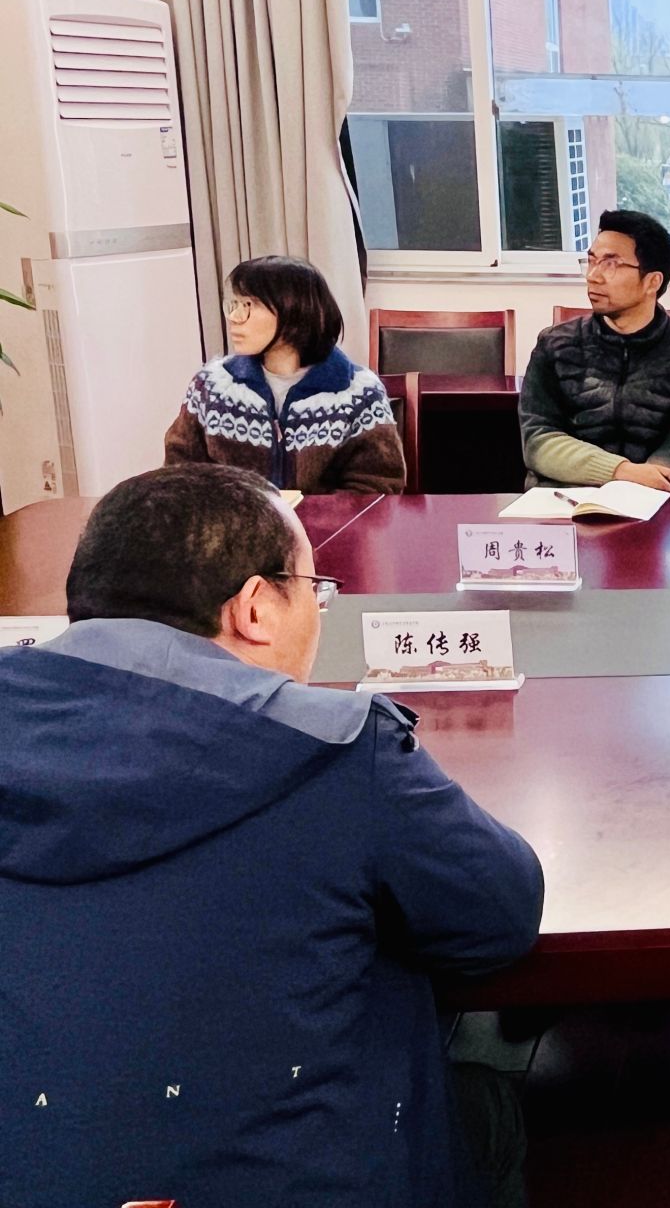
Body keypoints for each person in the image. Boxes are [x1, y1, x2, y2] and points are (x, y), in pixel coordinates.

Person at [0, 465, 543, 1207]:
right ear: (255, 608)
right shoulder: (336, 751)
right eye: (314, 589)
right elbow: (500, 916)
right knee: (490, 1107)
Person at [521, 209, 670, 492]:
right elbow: (538, 441)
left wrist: (634, 492)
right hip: (564, 500)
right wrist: (621, 472)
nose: (593, 276)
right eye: (591, 261)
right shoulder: (554, 344)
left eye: (611, 264)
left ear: (652, 281)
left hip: (656, 502)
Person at [165, 255, 404, 493]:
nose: (234, 318)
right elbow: (178, 478)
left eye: (248, 305)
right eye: (233, 305)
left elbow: (377, 490)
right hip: (235, 518)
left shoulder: (359, 394)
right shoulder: (210, 387)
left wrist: (305, 512)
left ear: (296, 312)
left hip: (326, 520)